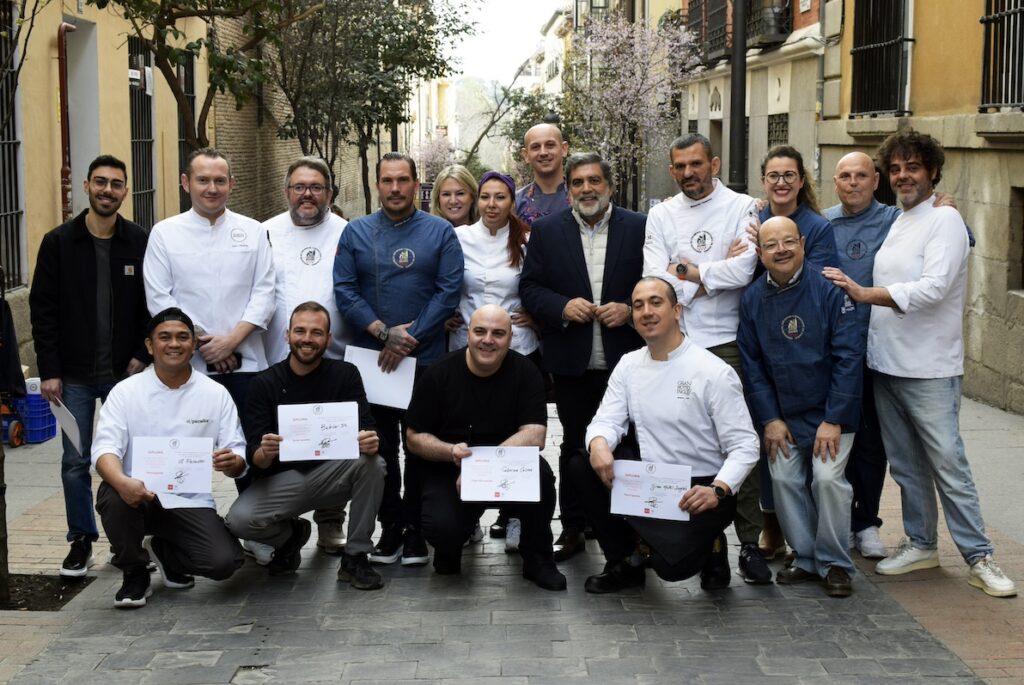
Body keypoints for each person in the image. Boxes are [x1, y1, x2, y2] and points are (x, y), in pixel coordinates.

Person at [824, 129, 1016, 598]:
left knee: (949, 465)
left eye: (912, 167)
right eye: (896, 169)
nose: (903, 175)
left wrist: (866, 294)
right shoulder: (899, 220)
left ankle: (979, 556)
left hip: (930, 368)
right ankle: (922, 543)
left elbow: (935, 287)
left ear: (932, 171)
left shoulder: (943, 220)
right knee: (907, 467)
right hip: (885, 363)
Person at [572, 277, 759, 593]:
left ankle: (712, 545)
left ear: (676, 310)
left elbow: (745, 445)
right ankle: (625, 561)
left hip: (701, 489)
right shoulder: (630, 365)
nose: (646, 311)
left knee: (671, 569)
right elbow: (605, 420)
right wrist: (600, 443)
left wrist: (718, 489)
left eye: (655, 302)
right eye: (638, 305)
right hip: (652, 483)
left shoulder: (712, 371)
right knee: (581, 463)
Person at [642, 134, 772, 586]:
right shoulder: (661, 214)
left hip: (723, 341)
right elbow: (654, 279)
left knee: (738, 443)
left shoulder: (742, 207)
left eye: (697, 164)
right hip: (675, 344)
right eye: (680, 167)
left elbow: (746, 269)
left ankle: (750, 544)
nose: (689, 174)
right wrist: (711, 274)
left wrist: (689, 272)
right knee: (684, 445)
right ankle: (707, 542)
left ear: (713, 163)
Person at [825, 151, 966, 560]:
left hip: (880, 349)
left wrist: (947, 207)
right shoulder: (823, 223)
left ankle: (867, 522)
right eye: (845, 176)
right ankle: (835, 522)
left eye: (862, 176)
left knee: (873, 443)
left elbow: (959, 241)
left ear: (875, 181)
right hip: (835, 349)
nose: (853, 183)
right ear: (835, 182)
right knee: (837, 439)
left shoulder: (897, 219)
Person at [334, 151, 463, 567]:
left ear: (415, 184)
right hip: (373, 363)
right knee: (381, 447)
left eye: (402, 180)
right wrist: (383, 333)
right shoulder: (355, 232)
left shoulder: (441, 232)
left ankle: (416, 531)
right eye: (386, 180)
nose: (394, 188)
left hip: (426, 361)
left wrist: (410, 337)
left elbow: (448, 291)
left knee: (422, 446)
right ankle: (390, 528)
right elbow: (345, 290)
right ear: (377, 184)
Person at [29, 154, 151, 578]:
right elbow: (42, 310)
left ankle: (130, 542)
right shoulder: (58, 242)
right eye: (100, 182)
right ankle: (80, 540)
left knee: (131, 459)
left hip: (126, 374)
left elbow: (150, 306)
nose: (107, 190)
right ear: (86, 186)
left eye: (116, 184)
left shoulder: (138, 240)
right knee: (74, 461)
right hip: (73, 377)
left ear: (125, 192)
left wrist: (143, 352)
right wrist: (49, 370)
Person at [519, 152, 646, 562]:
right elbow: (530, 288)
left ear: (608, 186)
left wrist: (629, 308)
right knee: (575, 445)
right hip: (573, 361)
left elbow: (657, 281)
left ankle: (630, 527)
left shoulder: (640, 227)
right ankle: (573, 527)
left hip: (626, 361)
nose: (587, 189)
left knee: (628, 446)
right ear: (568, 188)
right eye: (578, 182)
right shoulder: (547, 231)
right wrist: (560, 307)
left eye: (594, 181)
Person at [737, 216, 864, 597]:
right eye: (771, 245)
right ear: (760, 253)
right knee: (785, 479)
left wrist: (834, 419)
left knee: (827, 481)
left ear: (803, 244)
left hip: (830, 414)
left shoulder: (830, 289)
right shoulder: (753, 298)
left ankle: (836, 563)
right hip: (783, 415)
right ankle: (807, 558)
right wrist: (771, 419)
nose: (781, 250)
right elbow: (752, 365)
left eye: (788, 241)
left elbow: (849, 357)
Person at [224, 302, 386, 588]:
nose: (307, 339)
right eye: (300, 331)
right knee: (239, 521)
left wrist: (370, 440)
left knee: (374, 464)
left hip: (333, 473)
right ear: (287, 335)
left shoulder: (345, 374)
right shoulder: (264, 383)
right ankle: (291, 535)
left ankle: (356, 556)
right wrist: (264, 451)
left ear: (328, 338)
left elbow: (367, 426)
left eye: (316, 332)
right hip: (284, 479)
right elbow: (254, 457)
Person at [91, 309, 246, 608]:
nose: (173, 344)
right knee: (112, 493)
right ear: (150, 345)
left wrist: (233, 462)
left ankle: (165, 552)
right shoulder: (126, 392)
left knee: (225, 562)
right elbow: (104, 450)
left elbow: (237, 449)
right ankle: (135, 572)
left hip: (190, 500)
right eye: (165, 337)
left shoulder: (215, 394)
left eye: (182, 337)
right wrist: (123, 482)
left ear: (194, 345)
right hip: (137, 496)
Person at [405, 304, 565, 590]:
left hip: (509, 469)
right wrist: (449, 451)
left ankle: (538, 558)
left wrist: (483, 468)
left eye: (498, 333)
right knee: (442, 529)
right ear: (468, 334)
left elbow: (536, 434)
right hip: (450, 468)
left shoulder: (526, 371)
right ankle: (450, 544)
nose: (488, 340)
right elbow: (414, 436)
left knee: (541, 475)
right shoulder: (439, 373)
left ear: (511, 337)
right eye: (480, 331)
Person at [143, 147, 275, 426]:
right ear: (185, 182)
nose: (212, 188)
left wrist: (230, 342)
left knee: (250, 453)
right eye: (203, 180)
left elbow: (264, 293)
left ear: (232, 183)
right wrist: (205, 345)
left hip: (247, 363)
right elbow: (159, 299)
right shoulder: (164, 233)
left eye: (220, 180)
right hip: (187, 366)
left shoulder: (254, 231)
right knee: (187, 454)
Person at [262, 156, 350, 557]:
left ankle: (331, 521)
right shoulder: (264, 233)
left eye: (316, 187)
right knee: (280, 442)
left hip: (335, 356)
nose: (307, 194)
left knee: (334, 440)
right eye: (299, 187)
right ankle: (280, 519)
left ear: (329, 193)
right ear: (286, 192)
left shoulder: (348, 233)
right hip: (278, 356)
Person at [448, 171, 540, 550]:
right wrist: (444, 314)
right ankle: (466, 516)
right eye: (485, 197)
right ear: (476, 201)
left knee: (512, 430)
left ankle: (514, 514)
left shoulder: (528, 241)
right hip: (465, 345)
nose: (491, 205)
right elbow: (445, 283)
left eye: (500, 197)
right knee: (464, 428)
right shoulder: (457, 238)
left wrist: (539, 315)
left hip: (516, 347)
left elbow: (541, 284)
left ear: (511, 202)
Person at [515, 123, 571, 226]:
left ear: (564, 149)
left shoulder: (581, 197)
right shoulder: (515, 203)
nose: (543, 152)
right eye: (536, 147)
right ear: (526, 155)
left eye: (550, 145)